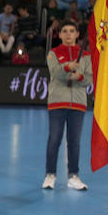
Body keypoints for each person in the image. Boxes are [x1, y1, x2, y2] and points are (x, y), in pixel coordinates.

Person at [43, 20, 91, 191]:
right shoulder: (53, 53)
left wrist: (78, 77)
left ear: (77, 34)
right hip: (57, 102)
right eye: (65, 31)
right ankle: (50, 175)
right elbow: (54, 72)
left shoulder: (85, 56)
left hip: (78, 104)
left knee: (74, 141)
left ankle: (73, 176)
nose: (68, 34)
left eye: (72, 31)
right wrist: (67, 67)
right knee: (54, 139)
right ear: (60, 34)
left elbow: (90, 78)